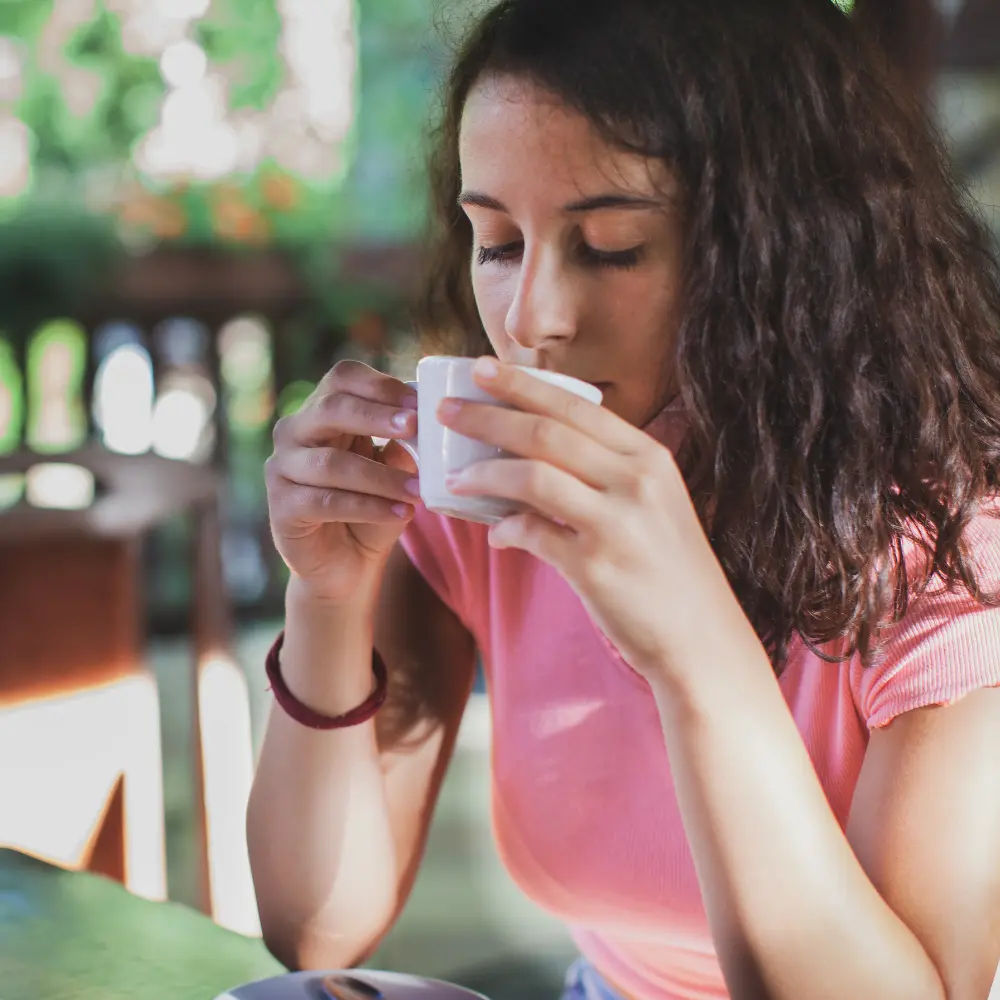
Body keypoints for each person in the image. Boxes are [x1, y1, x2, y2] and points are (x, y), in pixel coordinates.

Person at [248, 1, 1000, 997]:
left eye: (607, 248)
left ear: (779, 253)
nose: (529, 321)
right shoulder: (485, 497)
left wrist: (695, 649)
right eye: (498, 242)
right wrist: (328, 599)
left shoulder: (947, 555)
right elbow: (317, 928)